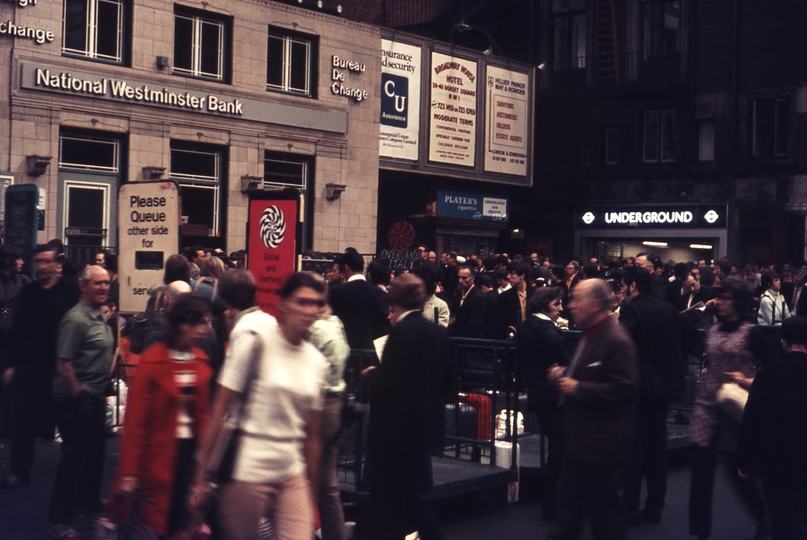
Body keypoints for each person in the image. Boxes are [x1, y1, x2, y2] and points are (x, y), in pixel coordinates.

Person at [190, 271, 328, 540]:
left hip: (291, 472)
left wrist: (312, 492)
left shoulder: (316, 362)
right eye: (302, 302)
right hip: (249, 468)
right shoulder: (255, 344)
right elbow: (220, 409)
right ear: (283, 303)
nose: (310, 310)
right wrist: (200, 478)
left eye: (317, 303)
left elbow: (312, 435)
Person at [109, 294, 213, 537]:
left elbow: (204, 418)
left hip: (190, 457)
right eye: (193, 323)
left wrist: (206, 468)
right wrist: (129, 473)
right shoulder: (153, 361)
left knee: (186, 516)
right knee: (157, 522)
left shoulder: (200, 360)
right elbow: (135, 423)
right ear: (177, 325)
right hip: (156, 459)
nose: (201, 330)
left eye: (204, 322)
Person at [547, 279, 639, 540]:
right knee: (566, 516)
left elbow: (625, 388)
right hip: (580, 444)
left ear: (596, 303)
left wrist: (579, 387)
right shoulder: (591, 334)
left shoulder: (616, 339)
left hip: (601, 448)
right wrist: (566, 374)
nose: (570, 306)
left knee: (605, 520)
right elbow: (592, 373)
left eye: (577, 299)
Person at [361, 273, 449, 540]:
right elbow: (446, 379)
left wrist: (370, 375)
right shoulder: (436, 331)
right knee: (414, 496)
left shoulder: (400, 333)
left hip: (394, 432)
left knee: (387, 496)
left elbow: (391, 380)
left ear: (394, 302)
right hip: (424, 428)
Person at [688, 278, 773, 540]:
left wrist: (747, 379)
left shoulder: (752, 332)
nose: (720, 303)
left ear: (738, 301)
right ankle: (701, 532)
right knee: (700, 475)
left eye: (725, 298)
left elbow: (773, 368)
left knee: (739, 475)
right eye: (718, 298)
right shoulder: (713, 330)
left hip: (736, 411)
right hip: (708, 407)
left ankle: (762, 519)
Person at [2, 245, 79, 490]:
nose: (42, 266)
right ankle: (19, 471)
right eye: (39, 262)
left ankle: (76, 473)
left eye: (47, 261)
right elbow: (18, 330)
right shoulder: (29, 292)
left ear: (58, 265)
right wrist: (11, 365)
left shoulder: (71, 291)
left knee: (68, 423)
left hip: (60, 367)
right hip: (30, 367)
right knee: (22, 422)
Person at [47, 265, 114, 539]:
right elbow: (63, 364)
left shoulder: (100, 315)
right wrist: (79, 397)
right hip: (74, 396)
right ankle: (58, 520)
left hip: (94, 395)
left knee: (96, 451)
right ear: (83, 286)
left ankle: (87, 500)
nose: (103, 288)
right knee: (74, 458)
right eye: (97, 283)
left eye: (106, 283)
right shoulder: (75, 319)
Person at [619, 266, 686, 525]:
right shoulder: (668, 308)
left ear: (632, 286)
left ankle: (630, 507)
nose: (622, 291)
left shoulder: (631, 310)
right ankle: (656, 504)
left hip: (639, 386)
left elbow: (622, 339)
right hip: (665, 385)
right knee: (658, 446)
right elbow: (688, 333)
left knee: (634, 447)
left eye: (623, 285)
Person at [739, 316, 807, 540]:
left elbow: (751, 417)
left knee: (777, 515)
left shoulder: (767, 374)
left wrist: (743, 459)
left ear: (783, 341)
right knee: (799, 513)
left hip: (773, 458)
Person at [515, 287, 569, 520]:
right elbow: (561, 352)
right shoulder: (548, 329)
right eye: (556, 304)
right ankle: (554, 503)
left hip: (536, 392)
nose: (560, 308)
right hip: (554, 394)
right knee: (561, 449)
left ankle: (552, 503)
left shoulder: (524, 326)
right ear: (544, 304)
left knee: (556, 447)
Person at [309, 306, 350, 540]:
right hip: (335, 405)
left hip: (317, 404)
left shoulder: (313, 330)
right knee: (328, 485)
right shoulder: (336, 323)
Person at [329, 250, 389, 349]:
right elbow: (384, 320)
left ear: (346, 268)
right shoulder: (377, 292)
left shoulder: (337, 292)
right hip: (369, 351)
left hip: (344, 348)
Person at [451, 265, 487, 338]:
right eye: (459, 277)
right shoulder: (461, 292)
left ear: (472, 278)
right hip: (459, 336)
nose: (460, 281)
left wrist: (464, 340)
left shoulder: (477, 297)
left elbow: (475, 324)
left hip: (470, 341)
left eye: (464, 278)